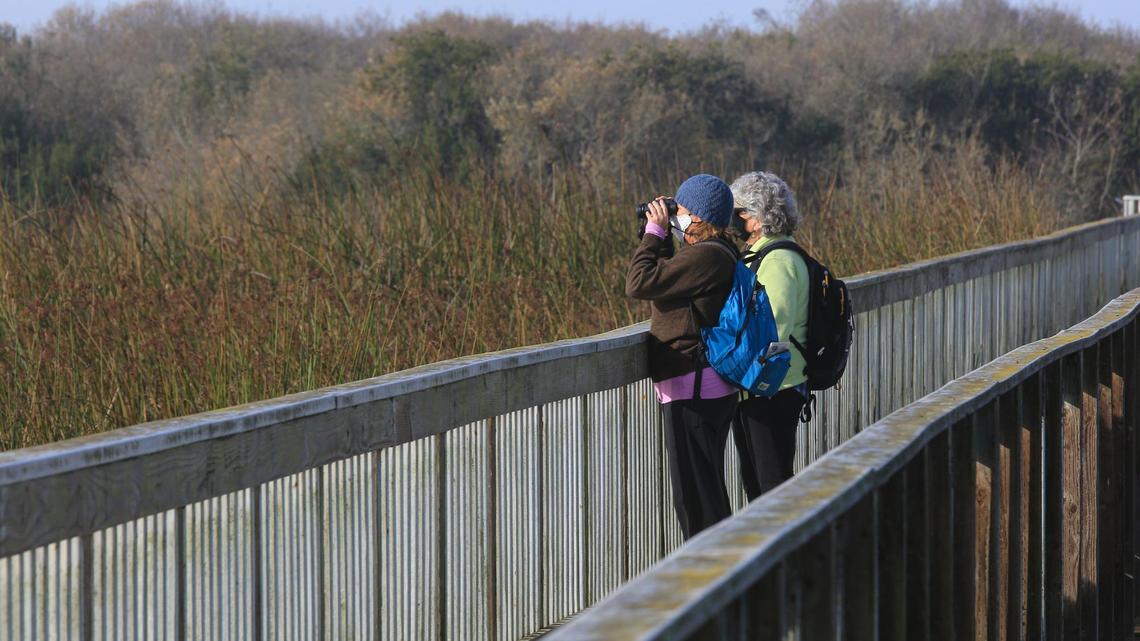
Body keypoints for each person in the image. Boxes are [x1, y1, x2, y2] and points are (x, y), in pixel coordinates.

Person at [625, 174, 740, 539]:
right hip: (702, 386)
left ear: (700, 217)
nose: (675, 215)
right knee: (701, 491)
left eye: (681, 209)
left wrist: (654, 233)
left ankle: (711, 578)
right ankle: (718, 573)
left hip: (694, 390)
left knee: (696, 499)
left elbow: (640, 283)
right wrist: (659, 238)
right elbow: (665, 280)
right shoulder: (714, 254)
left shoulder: (707, 256)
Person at [728, 171, 810, 502]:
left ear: (759, 218)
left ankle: (783, 551)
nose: (734, 220)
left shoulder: (778, 260)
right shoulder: (766, 255)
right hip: (759, 386)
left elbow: (773, 325)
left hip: (774, 386)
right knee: (757, 480)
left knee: (771, 482)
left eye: (740, 213)